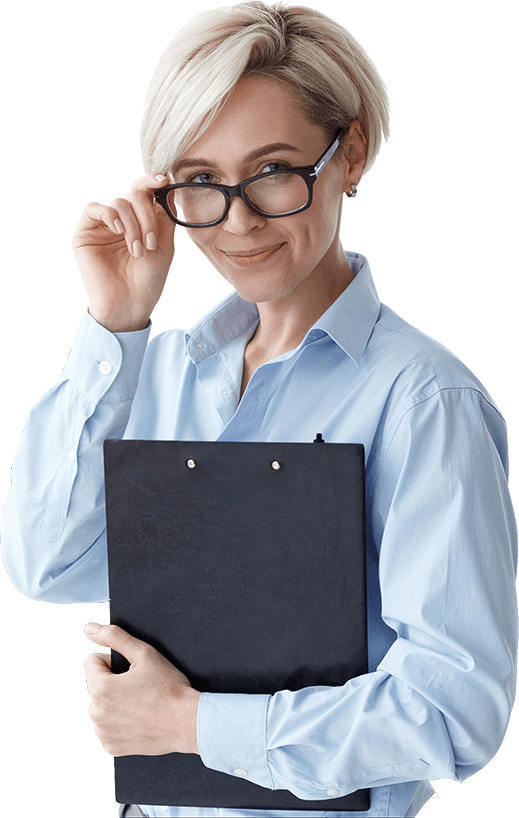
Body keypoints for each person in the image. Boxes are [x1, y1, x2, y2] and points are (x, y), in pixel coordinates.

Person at [1, 1, 517, 817]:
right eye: (200, 181)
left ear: (347, 155)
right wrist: (114, 323)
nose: (236, 220)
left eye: (273, 170)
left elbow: (452, 712)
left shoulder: (423, 400)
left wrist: (189, 723)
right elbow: (47, 565)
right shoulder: (156, 371)